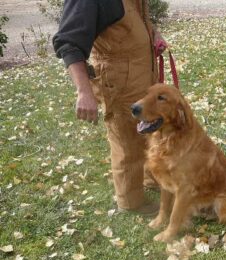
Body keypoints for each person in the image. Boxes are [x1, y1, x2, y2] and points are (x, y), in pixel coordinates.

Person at [53, 0, 165, 215]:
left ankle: (152, 179)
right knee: (126, 139)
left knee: (150, 131)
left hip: (143, 75)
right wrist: (84, 92)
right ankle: (131, 202)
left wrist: (153, 34)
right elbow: (69, 43)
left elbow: (132, 22)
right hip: (118, 82)